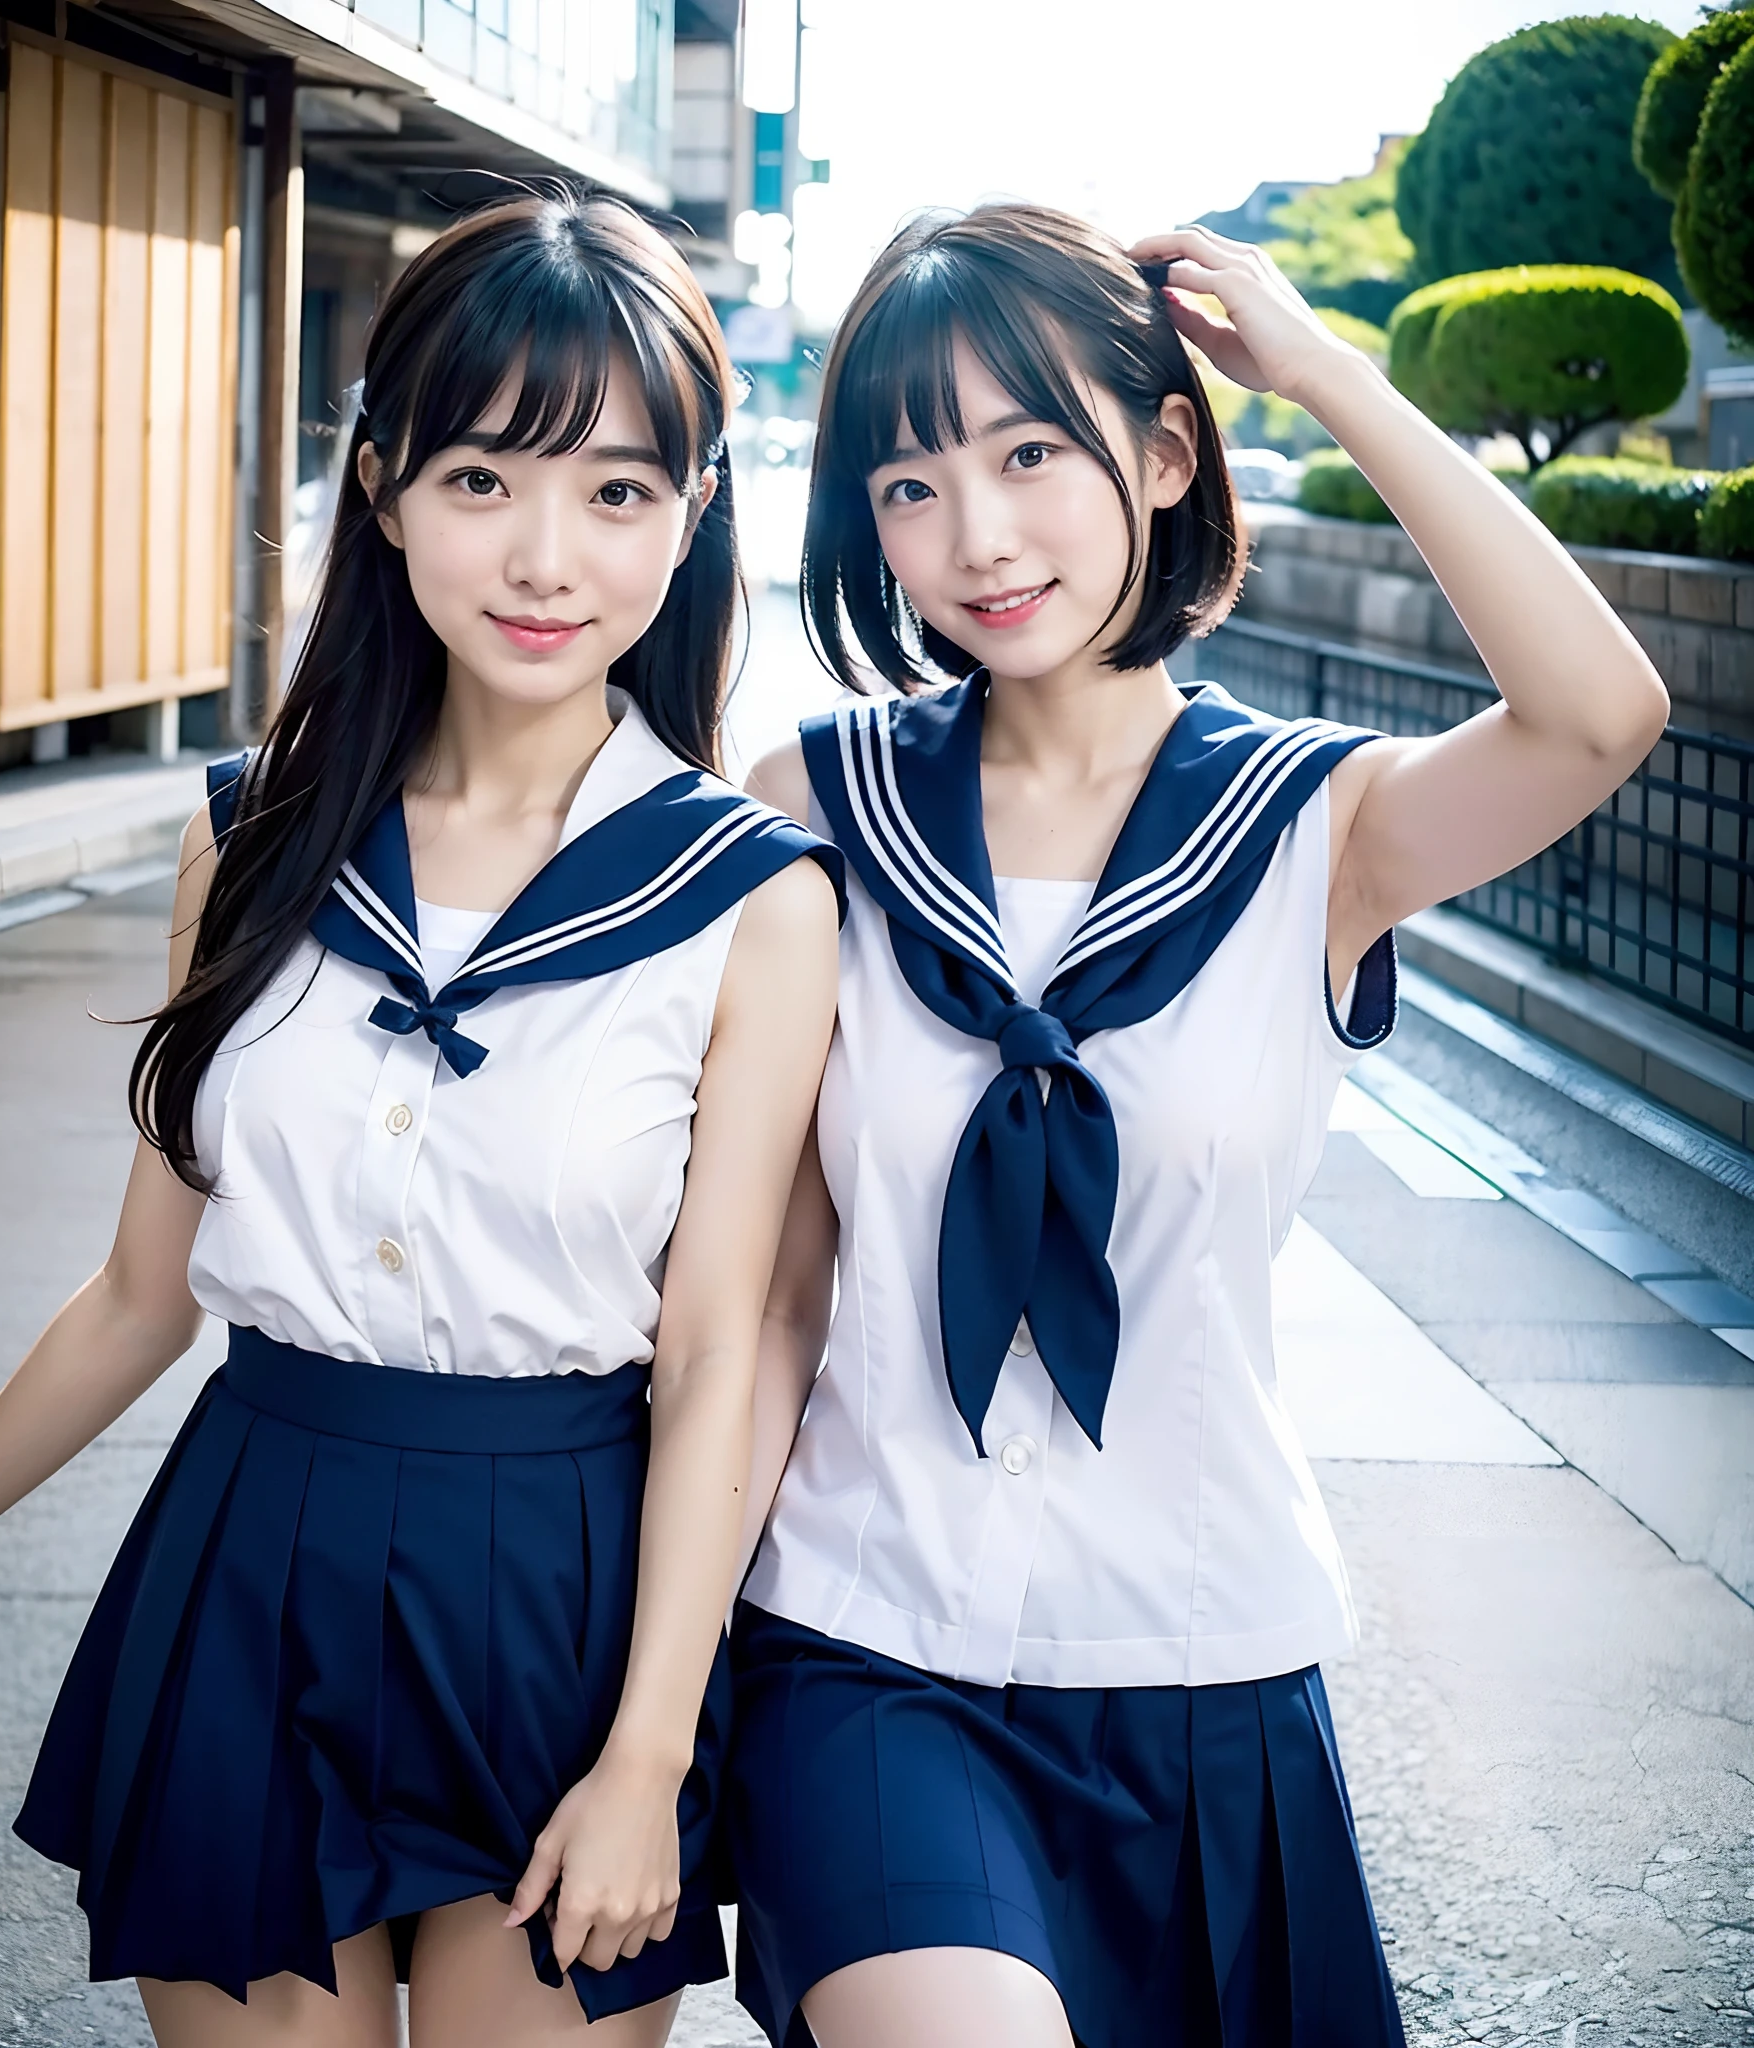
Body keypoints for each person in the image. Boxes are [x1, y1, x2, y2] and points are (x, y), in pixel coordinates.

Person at [0, 191, 841, 2048]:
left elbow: (710, 1359)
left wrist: (653, 1749)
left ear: (691, 518)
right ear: (382, 485)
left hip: (566, 1597)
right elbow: (140, 1289)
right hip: (254, 1559)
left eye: (616, 493)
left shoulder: (755, 896)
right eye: (484, 478)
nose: (544, 555)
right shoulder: (247, 834)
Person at [728, 205, 1670, 2048]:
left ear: (1162, 455)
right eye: (910, 485)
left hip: (1202, 1652)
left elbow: (1597, 715)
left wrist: (1323, 373)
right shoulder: (813, 811)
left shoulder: (1316, 829)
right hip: (867, 1638)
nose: (978, 535)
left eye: (1029, 454)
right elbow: (761, 1294)